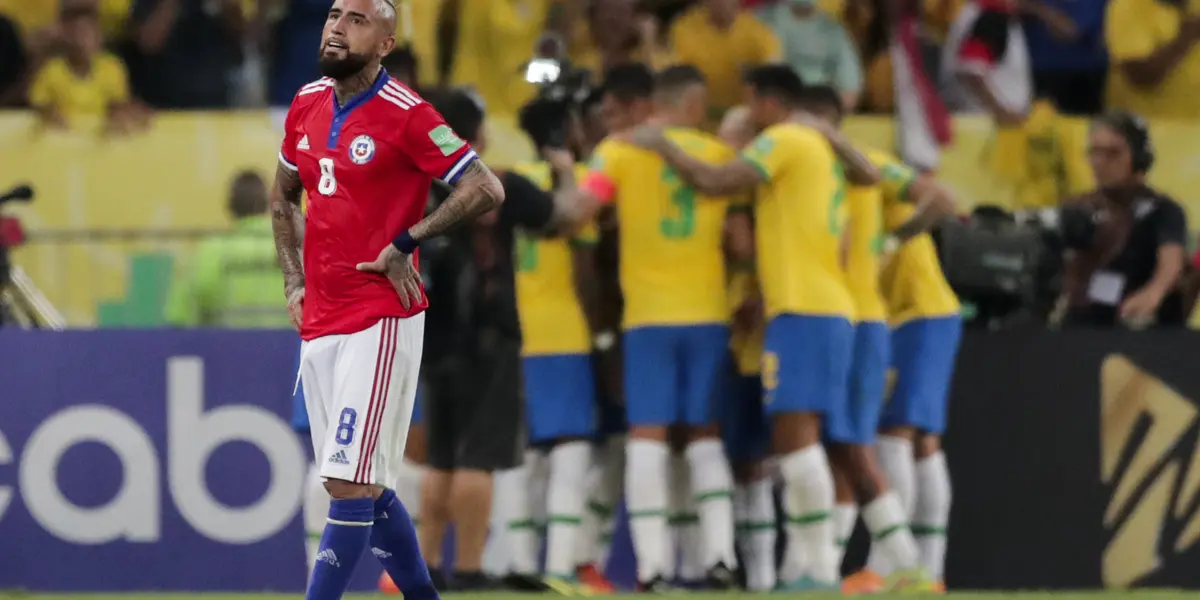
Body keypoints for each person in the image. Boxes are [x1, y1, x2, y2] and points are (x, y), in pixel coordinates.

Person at [268, 2, 505, 600]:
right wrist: (294, 281)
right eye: (333, 13)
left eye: (357, 19)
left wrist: (408, 241)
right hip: (320, 317)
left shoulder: (409, 113)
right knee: (361, 488)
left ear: (385, 43)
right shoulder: (306, 103)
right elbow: (281, 199)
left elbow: (485, 187)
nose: (337, 26)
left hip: (381, 316)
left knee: (348, 483)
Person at [622, 64, 879, 591]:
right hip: (819, 306)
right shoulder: (816, 148)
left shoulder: (784, 139)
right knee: (798, 442)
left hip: (805, 309)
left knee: (797, 439)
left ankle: (821, 570)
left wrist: (661, 145)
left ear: (765, 102)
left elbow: (716, 180)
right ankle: (812, 567)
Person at [581, 64, 739, 590]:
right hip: (709, 315)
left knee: (646, 436)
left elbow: (584, 207)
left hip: (648, 318)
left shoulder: (618, 151)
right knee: (705, 437)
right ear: (695, 104)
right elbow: (741, 244)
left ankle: (651, 568)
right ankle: (720, 558)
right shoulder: (718, 155)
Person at [798, 85, 957, 594]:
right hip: (898, 315)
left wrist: (894, 239)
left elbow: (943, 201)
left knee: (895, 435)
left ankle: (895, 570)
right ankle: (927, 569)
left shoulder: (872, 165)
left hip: (918, 311)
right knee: (923, 443)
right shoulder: (819, 177)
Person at [711, 105, 776, 592]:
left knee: (753, 464)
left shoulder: (748, 193)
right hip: (731, 338)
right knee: (740, 465)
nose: (724, 148)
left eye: (734, 138)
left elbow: (742, 250)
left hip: (750, 345)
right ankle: (753, 573)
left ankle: (764, 575)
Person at [1056, 110, 1189, 329]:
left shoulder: (1163, 210)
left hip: (1137, 325)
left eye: (1112, 153)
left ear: (1139, 157)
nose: (1099, 162)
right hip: (1079, 325)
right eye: (1094, 152)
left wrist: (1153, 294)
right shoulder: (1076, 207)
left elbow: (1171, 264)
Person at [165, 171, 287, 328]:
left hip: (225, 347)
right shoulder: (292, 249)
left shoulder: (209, 251)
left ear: (230, 206)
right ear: (268, 203)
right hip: (289, 347)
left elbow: (179, 316)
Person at [28, 4, 136, 134]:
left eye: (88, 34)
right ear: (66, 37)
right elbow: (40, 105)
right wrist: (50, 114)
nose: (82, 41)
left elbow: (118, 104)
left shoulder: (112, 67)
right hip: (63, 140)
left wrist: (117, 116)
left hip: (99, 140)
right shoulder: (52, 69)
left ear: (99, 37)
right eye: (76, 34)